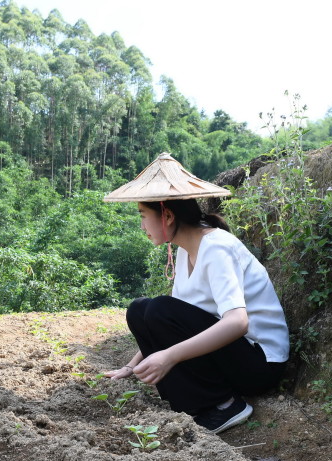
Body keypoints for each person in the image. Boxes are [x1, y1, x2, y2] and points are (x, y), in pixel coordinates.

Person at [103, 153, 289, 433]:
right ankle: (198, 403)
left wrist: (169, 356)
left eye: (143, 216)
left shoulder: (216, 247)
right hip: (233, 357)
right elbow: (175, 323)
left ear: (166, 215)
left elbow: (238, 322)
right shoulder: (184, 249)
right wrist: (131, 366)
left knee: (158, 308)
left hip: (260, 363)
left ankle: (224, 406)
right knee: (140, 309)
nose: (141, 225)